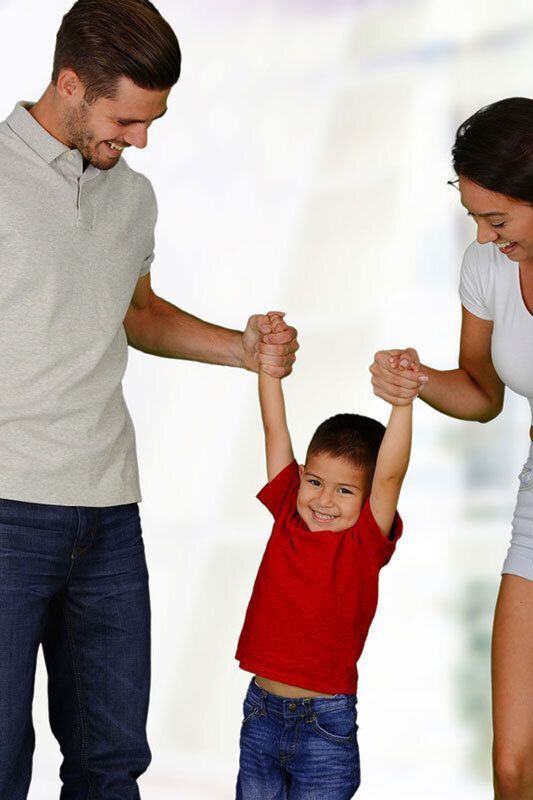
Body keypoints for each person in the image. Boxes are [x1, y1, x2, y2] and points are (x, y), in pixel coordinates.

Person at [0, 2, 298, 798]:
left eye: (151, 121)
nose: (139, 141)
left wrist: (240, 348)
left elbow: (136, 314)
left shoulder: (131, 197)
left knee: (111, 763)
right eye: (127, 120)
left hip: (107, 512)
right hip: (6, 506)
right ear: (70, 84)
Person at [369, 97, 533, 800]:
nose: (483, 234)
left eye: (496, 219)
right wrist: (417, 379)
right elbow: (480, 392)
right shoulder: (487, 265)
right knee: (513, 763)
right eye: (472, 215)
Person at [234, 312, 411, 799]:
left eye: (344, 490)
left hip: (324, 727)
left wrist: (402, 405)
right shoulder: (288, 511)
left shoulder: (364, 543)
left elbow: (391, 474)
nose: (323, 500)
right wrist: (268, 369)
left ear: (368, 496)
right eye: (315, 481)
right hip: (261, 715)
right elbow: (275, 432)